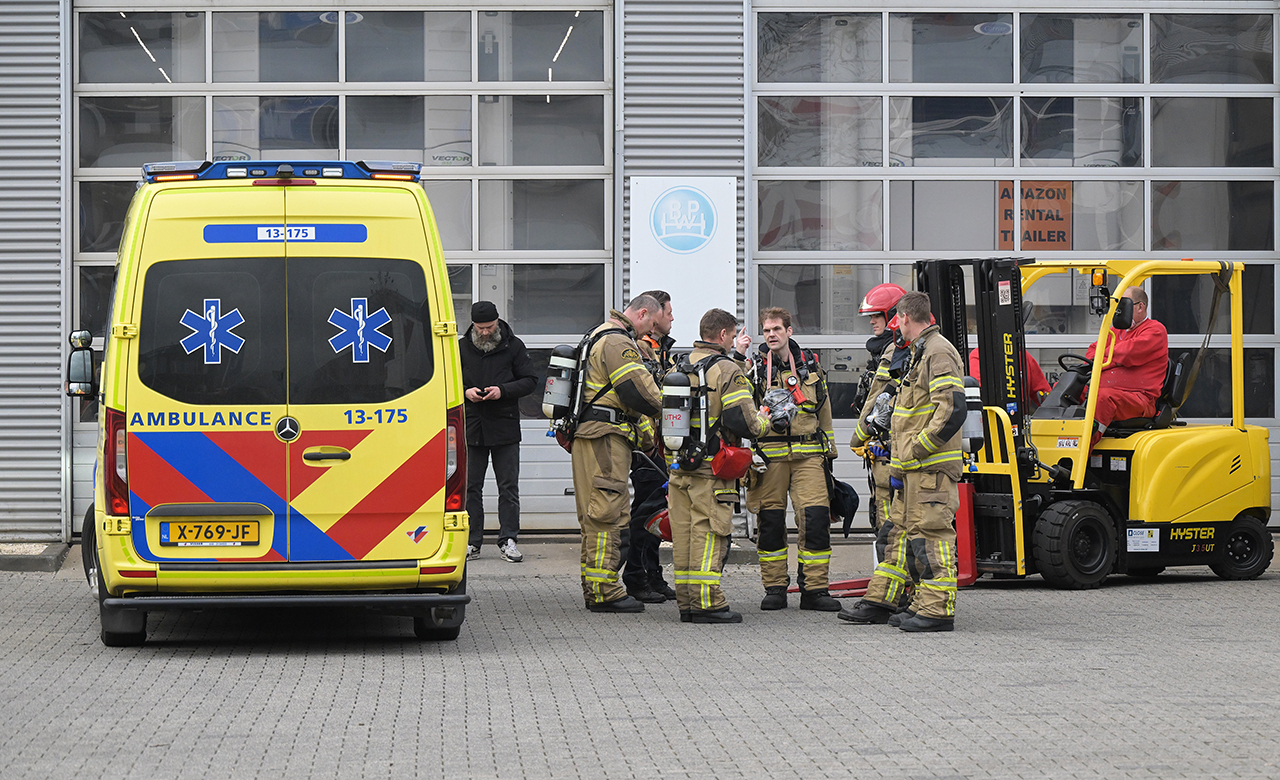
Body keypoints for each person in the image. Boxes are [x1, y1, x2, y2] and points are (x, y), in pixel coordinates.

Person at [840, 291, 965, 632]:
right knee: (911, 536)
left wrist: (917, 448)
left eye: (897, 319)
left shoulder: (939, 352)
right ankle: (922, 604)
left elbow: (952, 408)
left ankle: (938, 611)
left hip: (930, 466)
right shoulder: (918, 352)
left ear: (905, 318)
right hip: (912, 467)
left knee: (933, 535)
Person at [668, 309, 772, 624]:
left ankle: (686, 601)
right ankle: (706, 603)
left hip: (680, 467)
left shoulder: (678, 365)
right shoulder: (727, 369)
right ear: (725, 336)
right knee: (709, 531)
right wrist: (765, 422)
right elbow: (742, 420)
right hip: (712, 470)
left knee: (684, 534)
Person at [571, 294, 664, 613]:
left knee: (596, 511)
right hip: (606, 438)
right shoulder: (617, 342)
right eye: (652, 323)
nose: (651, 332)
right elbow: (636, 389)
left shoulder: (597, 334)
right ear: (641, 314)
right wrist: (673, 409)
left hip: (593, 435)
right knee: (607, 511)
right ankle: (605, 591)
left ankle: (595, 585)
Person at [745, 307, 841, 612]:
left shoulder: (811, 368)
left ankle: (815, 590)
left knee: (815, 521)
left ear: (789, 331)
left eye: (776, 329)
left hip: (809, 455)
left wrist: (831, 453)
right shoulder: (755, 369)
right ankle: (774, 587)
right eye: (766, 330)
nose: (771, 334)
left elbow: (824, 412)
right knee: (770, 523)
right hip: (770, 457)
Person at [460, 301, 538, 563]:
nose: (484, 332)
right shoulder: (460, 348)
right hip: (473, 427)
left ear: (497, 323)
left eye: (489, 327)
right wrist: (465, 392)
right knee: (471, 487)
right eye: (480, 328)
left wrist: (502, 391)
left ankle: (508, 539)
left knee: (508, 487)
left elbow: (530, 380)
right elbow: (449, 379)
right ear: (472, 325)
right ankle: (472, 542)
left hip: (504, 426)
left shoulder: (513, 346)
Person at [624, 289, 678, 604]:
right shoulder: (640, 350)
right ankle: (635, 578)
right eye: (668, 313)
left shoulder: (659, 349)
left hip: (659, 446)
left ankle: (652, 575)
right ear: (653, 316)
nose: (672, 318)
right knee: (645, 515)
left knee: (656, 512)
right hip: (647, 449)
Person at [849, 283, 909, 566]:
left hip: (889, 451)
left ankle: (894, 585)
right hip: (882, 449)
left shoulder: (893, 352)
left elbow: (876, 396)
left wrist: (857, 438)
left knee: (889, 522)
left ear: (893, 314)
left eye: (876, 315)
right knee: (884, 519)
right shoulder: (886, 350)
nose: (871, 321)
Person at [1084, 286, 1168, 445]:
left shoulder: (1155, 330)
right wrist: (1110, 359)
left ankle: (1081, 454)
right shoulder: (1116, 331)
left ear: (1140, 307)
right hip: (1111, 392)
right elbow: (1092, 353)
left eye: (1123, 306)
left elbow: (1128, 353)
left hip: (1139, 399)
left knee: (1102, 398)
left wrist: (1106, 359)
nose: (1118, 311)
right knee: (1072, 393)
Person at [967, 348, 1052, 408]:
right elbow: (980, 389)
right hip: (991, 421)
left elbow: (1043, 392)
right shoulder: (979, 355)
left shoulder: (1023, 356)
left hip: (1020, 422)